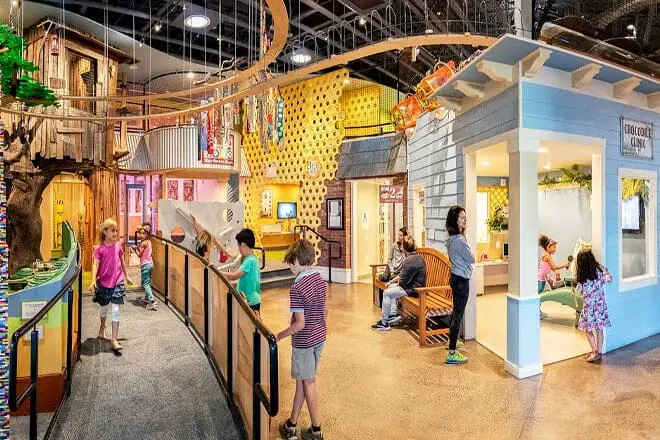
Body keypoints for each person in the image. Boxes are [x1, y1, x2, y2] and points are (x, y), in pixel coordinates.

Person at [277, 239, 328, 440]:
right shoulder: (320, 281)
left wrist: (278, 336)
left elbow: (299, 324)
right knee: (303, 380)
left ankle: (316, 430)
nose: (290, 266)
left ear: (298, 260)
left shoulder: (297, 288)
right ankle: (292, 424)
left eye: (291, 262)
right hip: (319, 337)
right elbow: (324, 312)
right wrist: (320, 328)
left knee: (308, 383)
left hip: (304, 342)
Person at [90, 218, 134, 354]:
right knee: (103, 309)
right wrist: (93, 280)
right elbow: (95, 264)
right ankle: (102, 327)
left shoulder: (118, 246)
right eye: (112, 230)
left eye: (116, 230)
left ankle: (114, 339)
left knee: (115, 309)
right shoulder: (100, 249)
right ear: (105, 232)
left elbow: (122, 261)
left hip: (117, 282)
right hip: (104, 283)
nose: (115, 233)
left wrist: (127, 276)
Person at [371, 238, 426, 331]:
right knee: (391, 287)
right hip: (415, 288)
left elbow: (402, 283)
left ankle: (384, 323)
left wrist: (395, 284)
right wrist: (391, 282)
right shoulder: (420, 258)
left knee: (386, 293)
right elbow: (402, 275)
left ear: (404, 248)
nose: (401, 248)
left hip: (415, 291)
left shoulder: (408, 261)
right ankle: (393, 314)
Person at [445, 205, 474, 365]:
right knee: (458, 314)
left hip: (455, 276)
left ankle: (452, 341)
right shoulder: (460, 240)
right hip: (462, 279)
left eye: (465, 217)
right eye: (462, 217)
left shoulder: (450, 238)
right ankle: (452, 352)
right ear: (454, 220)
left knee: (456, 311)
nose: (465, 220)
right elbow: (472, 258)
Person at [576, 250, 611, 363]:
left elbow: (579, 291)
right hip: (600, 307)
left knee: (588, 330)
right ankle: (599, 353)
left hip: (589, 309)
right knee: (599, 329)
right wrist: (604, 269)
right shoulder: (599, 272)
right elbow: (609, 279)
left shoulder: (582, 277)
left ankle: (594, 352)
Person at [221, 228, 261, 314]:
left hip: (250, 301)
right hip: (254, 300)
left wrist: (218, 272)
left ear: (243, 245)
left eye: (238, 246)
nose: (238, 249)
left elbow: (235, 276)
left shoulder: (249, 261)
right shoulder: (254, 258)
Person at [538, 234, 571, 319]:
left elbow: (551, 267)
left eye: (555, 247)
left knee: (539, 295)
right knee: (538, 295)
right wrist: (565, 265)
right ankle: (538, 313)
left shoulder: (548, 255)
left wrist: (556, 272)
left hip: (543, 278)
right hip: (540, 279)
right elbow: (554, 267)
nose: (555, 249)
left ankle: (538, 312)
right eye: (553, 247)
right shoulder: (547, 256)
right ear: (548, 247)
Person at [134, 226, 156, 310]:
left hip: (145, 265)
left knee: (145, 283)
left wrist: (135, 249)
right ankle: (147, 297)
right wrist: (138, 248)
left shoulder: (143, 243)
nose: (141, 235)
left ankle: (152, 300)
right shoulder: (149, 242)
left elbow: (139, 255)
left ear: (147, 234)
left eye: (144, 233)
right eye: (140, 233)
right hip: (150, 264)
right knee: (148, 282)